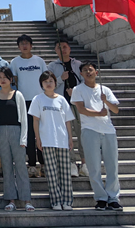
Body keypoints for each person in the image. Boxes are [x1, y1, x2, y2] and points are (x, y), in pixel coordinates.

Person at [71, 61, 122, 211]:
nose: (88, 72)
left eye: (91, 69)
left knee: (112, 166)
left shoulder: (104, 89)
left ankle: (113, 198)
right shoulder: (77, 89)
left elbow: (116, 109)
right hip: (89, 130)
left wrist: (105, 100)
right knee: (94, 168)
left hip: (108, 131)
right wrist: (98, 113)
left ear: (96, 72)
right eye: (85, 70)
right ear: (81, 74)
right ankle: (100, 198)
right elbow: (81, 110)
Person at [29, 70, 74, 211]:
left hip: (62, 139)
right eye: (45, 81)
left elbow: (67, 121)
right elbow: (35, 120)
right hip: (47, 140)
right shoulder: (38, 99)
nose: (48, 84)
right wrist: (38, 138)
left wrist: (70, 138)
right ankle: (55, 201)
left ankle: (67, 201)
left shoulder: (61, 99)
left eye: (51, 81)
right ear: (41, 84)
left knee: (65, 172)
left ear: (55, 83)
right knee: (51, 173)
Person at [0, 67, 34, 212]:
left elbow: (24, 119)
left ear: (11, 79)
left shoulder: (18, 95)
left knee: (21, 167)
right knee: (7, 167)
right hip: (0, 133)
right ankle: (11, 199)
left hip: (16, 132)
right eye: (0, 77)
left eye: (6, 77)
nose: (3, 79)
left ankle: (27, 200)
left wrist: (24, 139)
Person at [47, 38, 87, 177]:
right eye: (59, 47)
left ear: (69, 49)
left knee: (81, 132)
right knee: (65, 134)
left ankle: (84, 162)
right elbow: (48, 83)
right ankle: (71, 162)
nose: (62, 50)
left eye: (64, 47)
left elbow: (85, 82)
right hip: (60, 104)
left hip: (77, 103)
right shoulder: (52, 66)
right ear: (55, 50)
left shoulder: (78, 64)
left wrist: (75, 92)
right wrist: (60, 78)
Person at [10, 34, 48, 177]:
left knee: (42, 132)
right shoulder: (14, 62)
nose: (24, 46)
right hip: (24, 101)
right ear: (19, 47)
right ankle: (32, 165)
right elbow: (14, 81)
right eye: (22, 44)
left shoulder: (39, 61)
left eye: (27, 43)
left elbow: (46, 78)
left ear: (31, 45)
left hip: (40, 100)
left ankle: (44, 164)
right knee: (30, 133)